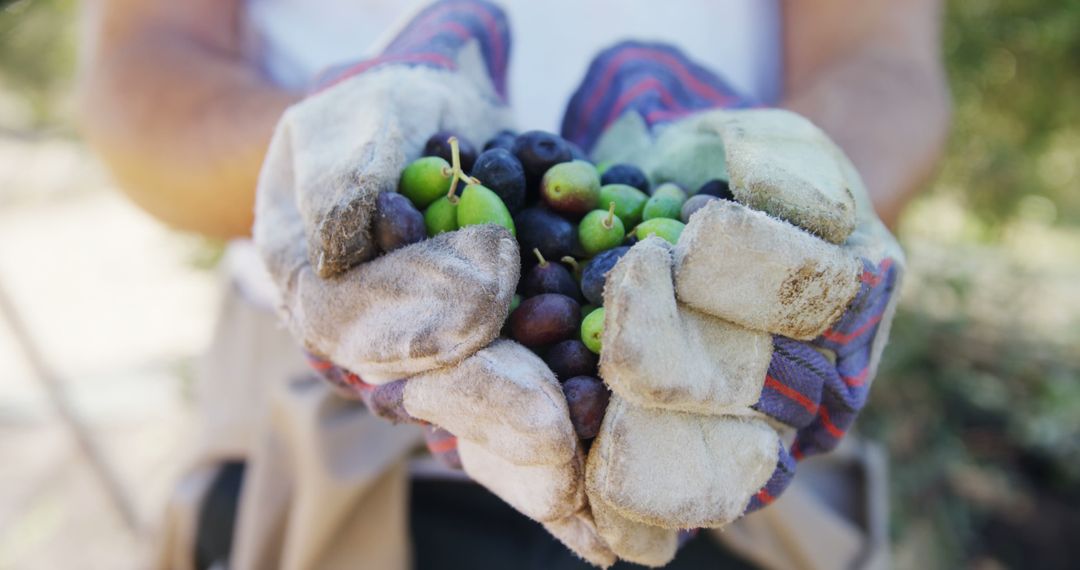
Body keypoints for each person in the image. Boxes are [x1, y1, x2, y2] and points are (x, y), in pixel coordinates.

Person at [78, 1, 950, 569]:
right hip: (314, 435)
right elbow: (140, 66)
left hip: (714, 403)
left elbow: (885, 63)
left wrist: (819, 199)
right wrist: (316, 156)